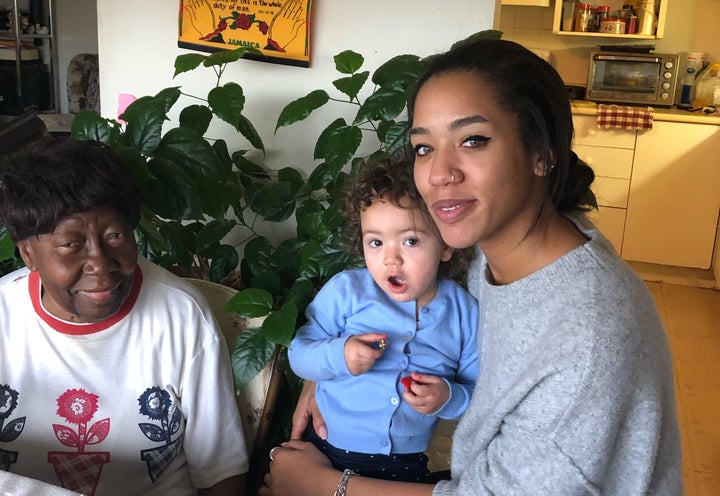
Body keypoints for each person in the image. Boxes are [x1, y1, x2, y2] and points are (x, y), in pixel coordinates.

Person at [260, 38, 683, 495]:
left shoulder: (588, 334)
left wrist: (327, 487)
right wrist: (330, 371)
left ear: (542, 151)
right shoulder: (494, 247)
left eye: (473, 140)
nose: (439, 173)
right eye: (423, 148)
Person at [0, 137, 247, 496]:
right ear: (28, 254)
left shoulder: (180, 314)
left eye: (115, 236)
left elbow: (221, 472)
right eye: (71, 245)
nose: (100, 264)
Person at [287, 160, 479, 483]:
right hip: (326, 450)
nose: (390, 259)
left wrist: (447, 397)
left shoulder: (463, 312)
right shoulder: (348, 291)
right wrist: (340, 355)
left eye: (411, 241)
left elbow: (479, 395)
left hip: (405, 465)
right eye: (375, 242)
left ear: (446, 243)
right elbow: (299, 353)